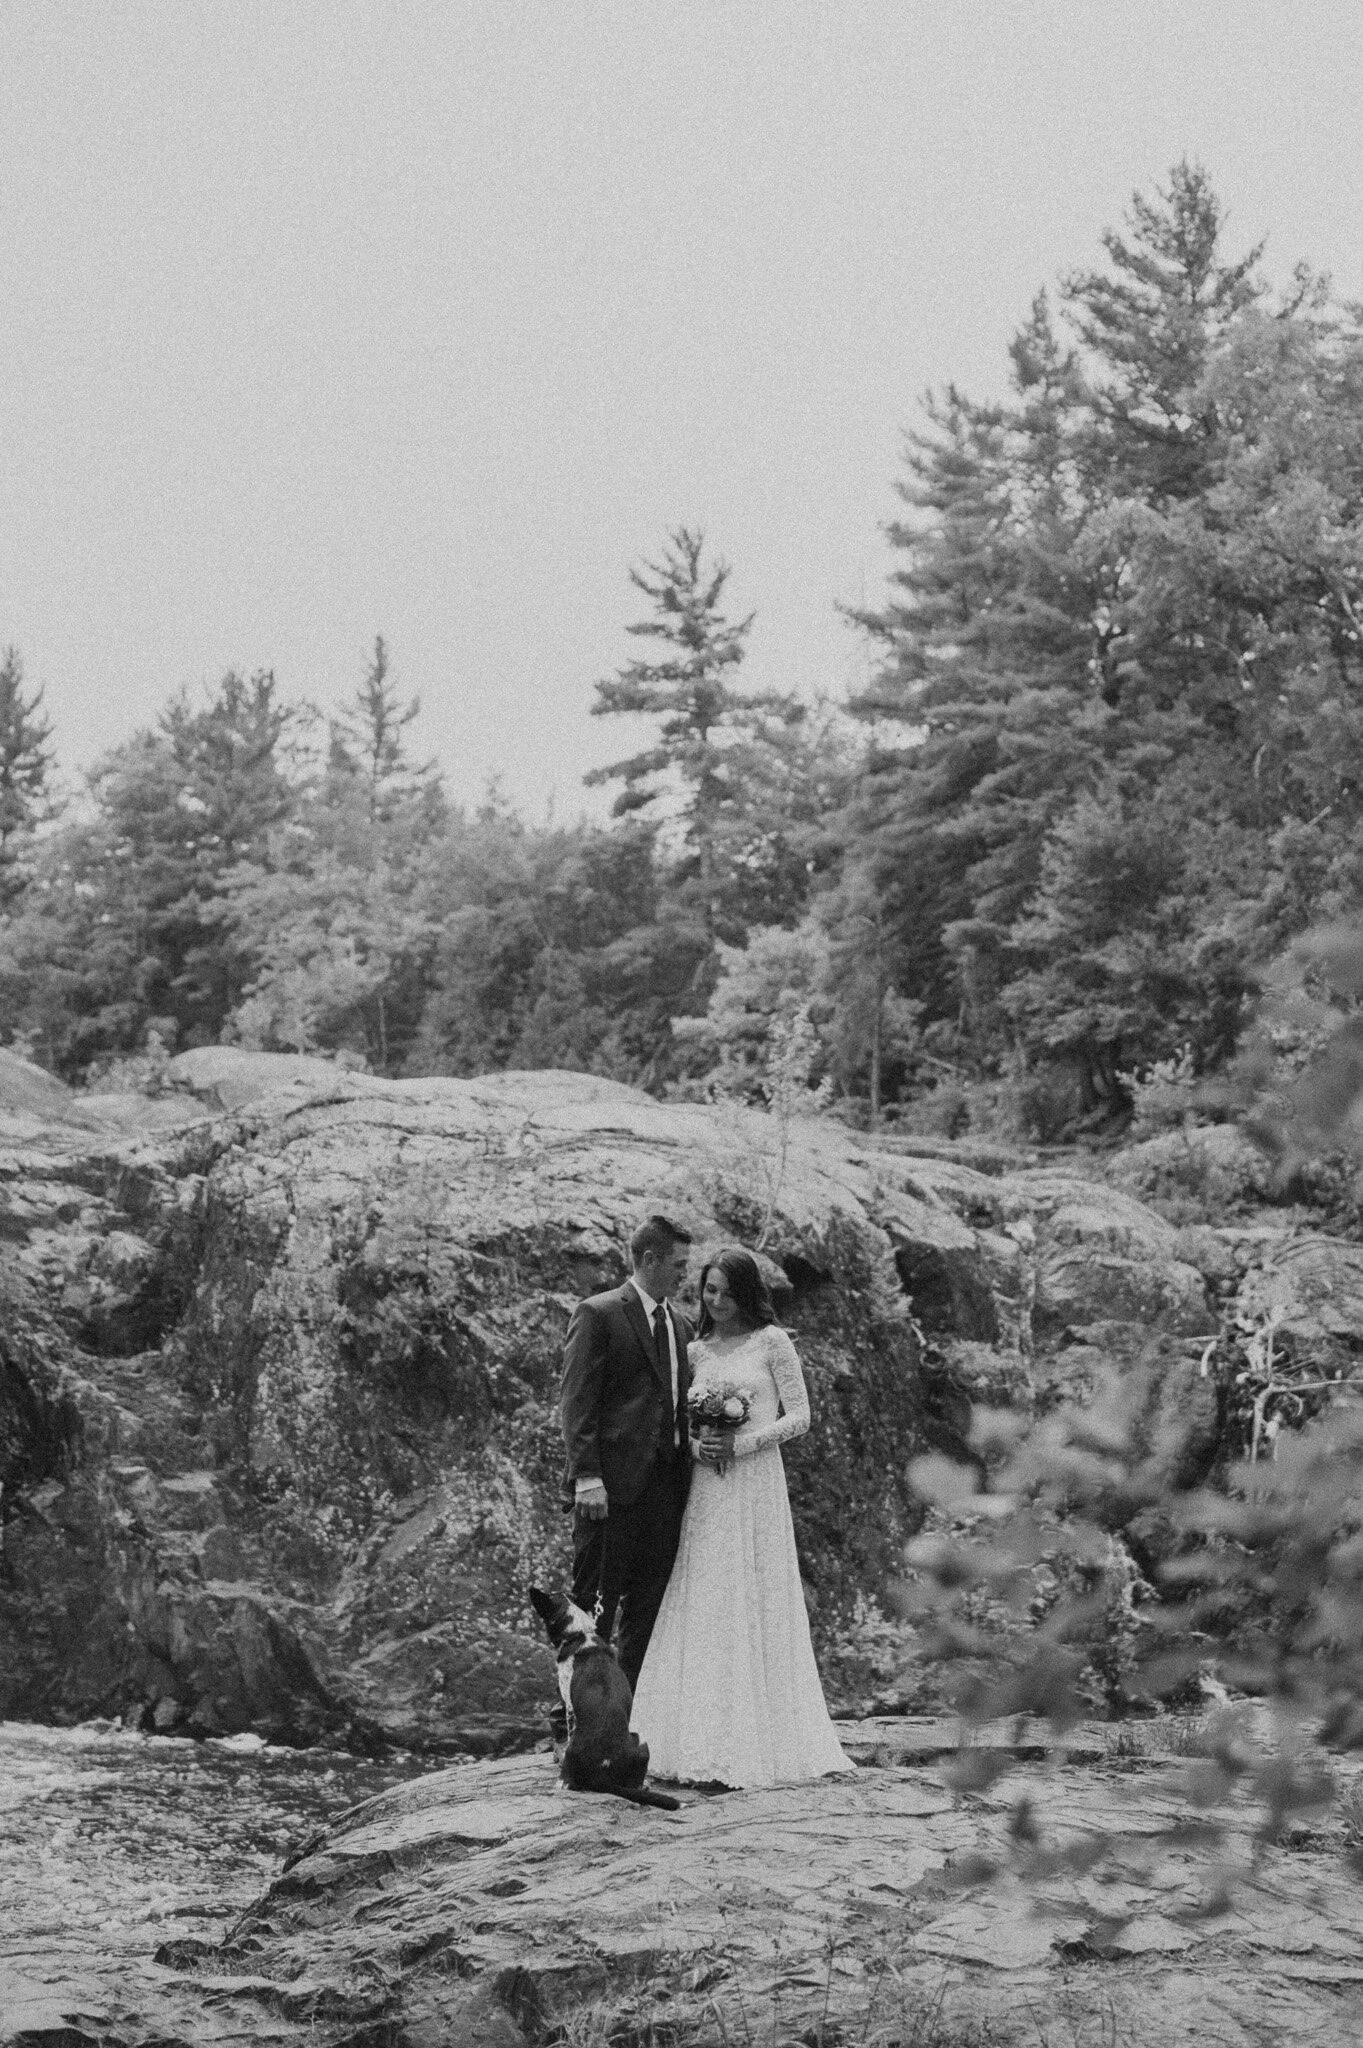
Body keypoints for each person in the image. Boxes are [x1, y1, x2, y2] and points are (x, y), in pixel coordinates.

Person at [629, 1245, 854, 1789]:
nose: (718, 1301)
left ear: (748, 1293)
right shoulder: (697, 1350)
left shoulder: (773, 1342)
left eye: (728, 1292)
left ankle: (760, 1738)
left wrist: (745, 1443)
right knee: (704, 1593)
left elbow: (800, 1416)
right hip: (708, 1486)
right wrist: (697, 1448)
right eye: (710, 1291)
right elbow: (677, 1423)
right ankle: (692, 1737)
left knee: (754, 1593)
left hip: (754, 1482)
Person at [558, 1213, 694, 1692]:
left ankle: (624, 1715)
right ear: (650, 1259)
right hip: (609, 1494)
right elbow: (577, 1400)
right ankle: (569, 1725)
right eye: (678, 1264)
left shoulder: (681, 1324)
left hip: (666, 1494)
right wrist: (587, 1477)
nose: (685, 1274)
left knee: (646, 1614)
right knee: (592, 1610)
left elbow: (677, 1404)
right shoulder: (598, 1313)